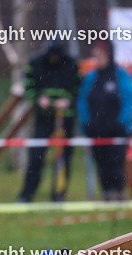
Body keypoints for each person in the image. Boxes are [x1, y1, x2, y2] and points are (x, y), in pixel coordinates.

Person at [17, 41, 80, 203]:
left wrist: (67, 100)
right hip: (43, 118)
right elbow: (28, 86)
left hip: (64, 119)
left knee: (62, 157)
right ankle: (27, 194)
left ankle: (59, 194)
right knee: (36, 155)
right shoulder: (36, 63)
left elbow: (79, 89)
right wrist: (39, 99)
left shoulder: (72, 65)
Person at [77, 40, 132, 201]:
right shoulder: (91, 77)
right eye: (97, 55)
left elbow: (129, 100)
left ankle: (119, 192)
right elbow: (82, 101)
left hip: (116, 130)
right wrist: (86, 123)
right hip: (96, 130)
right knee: (101, 163)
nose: (99, 58)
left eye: (101, 54)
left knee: (116, 162)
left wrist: (122, 123)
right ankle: (106, 193)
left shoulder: (121, 75)